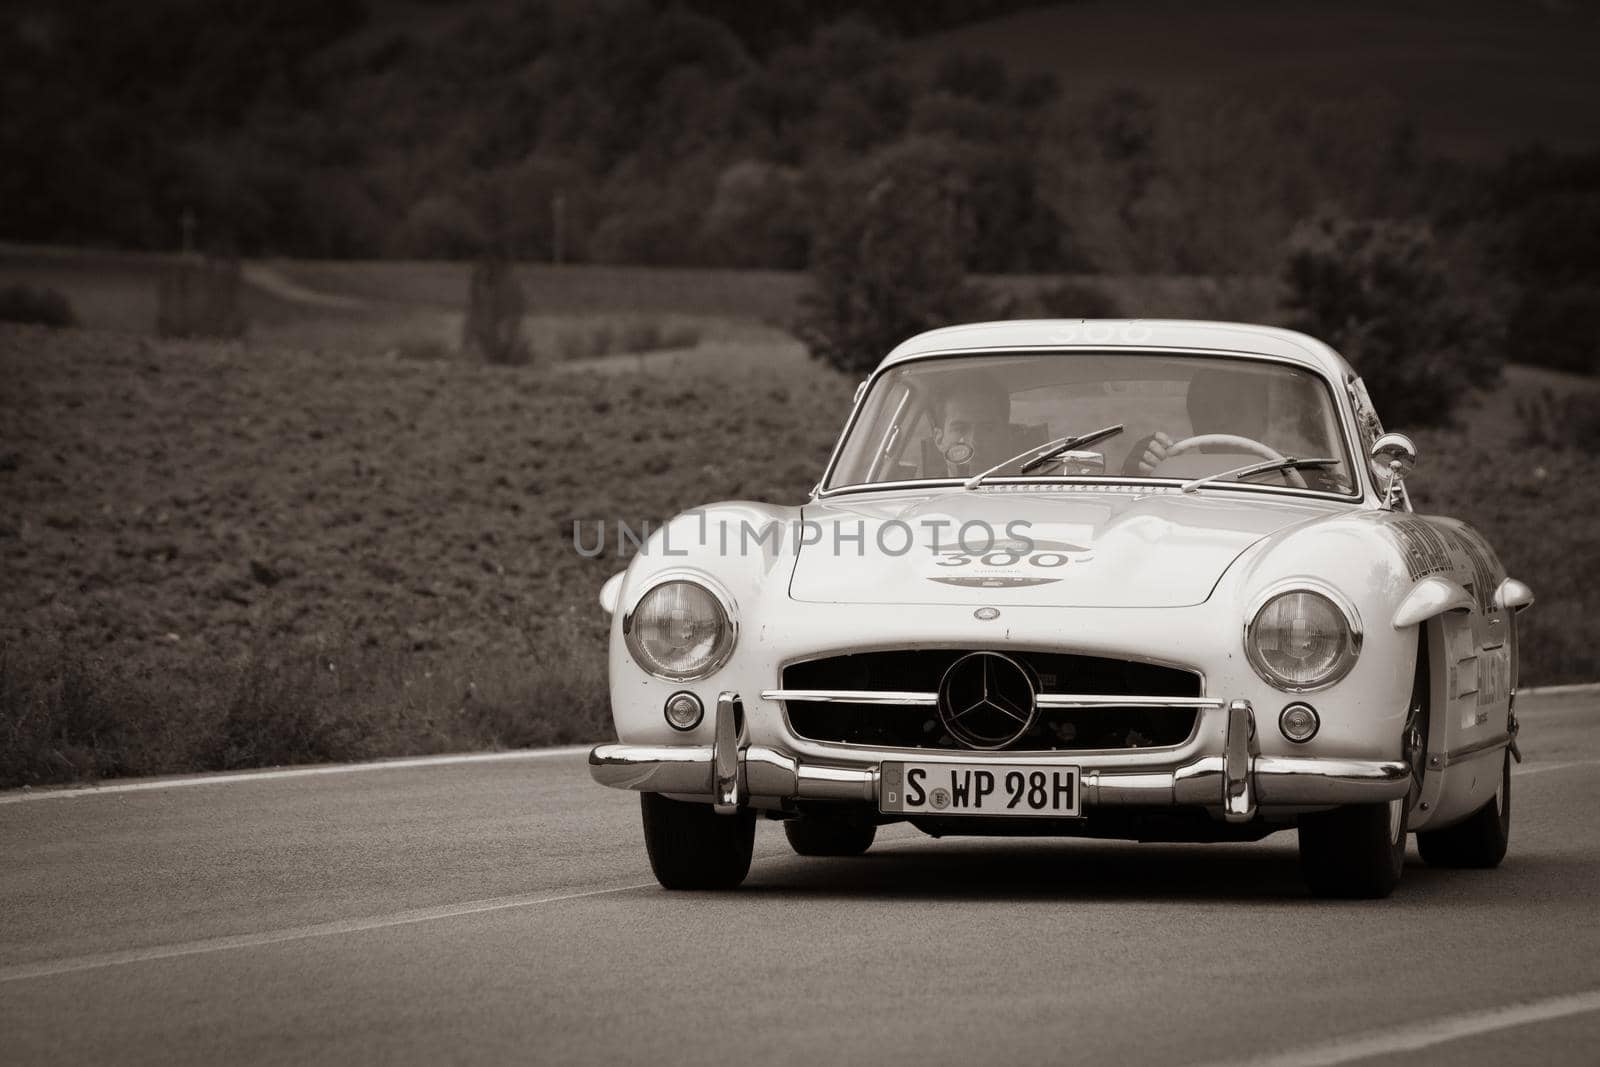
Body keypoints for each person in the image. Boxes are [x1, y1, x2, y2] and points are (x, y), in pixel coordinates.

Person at [1123, 368, 1271, 475]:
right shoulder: (1171, 475)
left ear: (1263, 418)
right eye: (1207, 410)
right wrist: (1139, 469)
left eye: (1235, 408)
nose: (1221, 421)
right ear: (1194, 419)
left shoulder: (1289, 476)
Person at [927, 374, 1012, 477]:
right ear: (939, 439)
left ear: (1005, 437)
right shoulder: (918, 492)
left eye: (987, 429)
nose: (973, 442)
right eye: (960, 429)